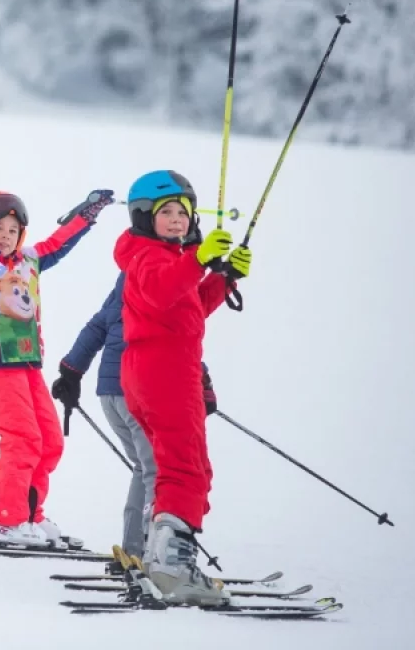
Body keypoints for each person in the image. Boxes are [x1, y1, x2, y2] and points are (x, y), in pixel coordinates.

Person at [0, 168, 114, 548]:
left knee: (49, 440)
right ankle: (4, 520)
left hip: (26, 362)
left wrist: (87, 214)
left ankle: (29, 515)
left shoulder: (27, 262)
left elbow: (58, 243)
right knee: (21, 438)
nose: (5, 236)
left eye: (12, 231)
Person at [113, 169, 250, 605]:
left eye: (184, 213)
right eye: (166, 212)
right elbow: (161, 289)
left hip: (158, 367)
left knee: (176, 465)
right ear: (142, 216)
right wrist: (197, 260)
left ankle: (160, 556)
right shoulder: (151, 257)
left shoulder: (168, 258)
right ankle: (174, 567)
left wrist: (223, 277)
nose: (177, 220)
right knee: (185, 467)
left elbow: (186, 307)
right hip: (164, 370)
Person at [51, 273, 217, 571]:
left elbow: (98, 325)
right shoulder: (163, 281)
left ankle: (136, 549)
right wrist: (199, 382)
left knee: (146, 466)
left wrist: (71, 370)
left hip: (110, 395)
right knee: (160, 469)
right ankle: (159, 555)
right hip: (139, 390)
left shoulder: (127, 280)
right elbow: (171, 337)